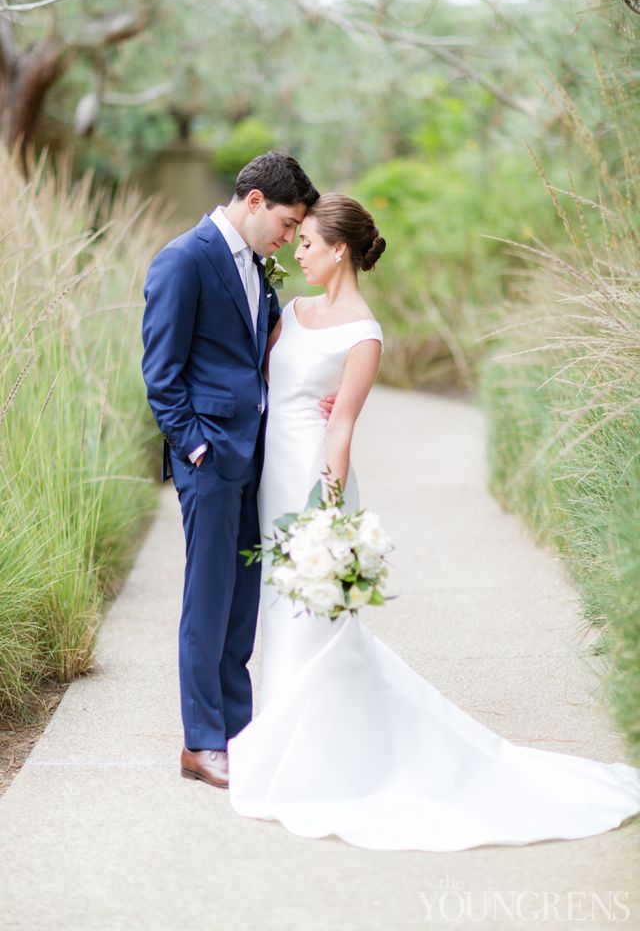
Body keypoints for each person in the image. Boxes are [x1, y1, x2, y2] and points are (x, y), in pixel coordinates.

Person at [226, 192, 640, 851]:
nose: (298, 252)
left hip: (311, 481)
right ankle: (280, 737)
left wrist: (328, 515)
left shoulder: (363, 334)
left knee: (316, 618)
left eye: (307, 243)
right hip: (271, 476)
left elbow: (342, 427)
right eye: (296, 241)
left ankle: (319, 760)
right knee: (280, 612)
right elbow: (263, 383)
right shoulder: (293, 313)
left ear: (339, 249)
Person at [141, 152, 319, 789]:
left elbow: (259, 355)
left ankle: (240, 734)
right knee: (208, 598)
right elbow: (161, 374)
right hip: (211, 459)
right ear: (254, 201)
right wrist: (194, 448)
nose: (290, 237)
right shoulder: (183, 260)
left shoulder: (257, 267)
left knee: (242, 601)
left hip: (255, 455)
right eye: (288, 223)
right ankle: (201, 742)